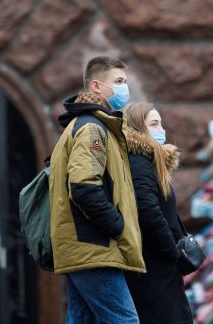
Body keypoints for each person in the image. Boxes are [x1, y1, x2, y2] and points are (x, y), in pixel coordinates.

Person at [49, 57, 145, 324]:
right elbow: (83, 187)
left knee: (81, 320)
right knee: (125, 320)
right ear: (96, 86)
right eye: (119, 82)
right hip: (95, 247)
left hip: (84, 246)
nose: (125, 88)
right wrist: (117, 226)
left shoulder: (88, 125)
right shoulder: (92, 128)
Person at [122, 102, 193, 324]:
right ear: (138, 128)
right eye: (154, 124)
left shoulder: (149, 162)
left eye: (160, 123)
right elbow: (148, 211)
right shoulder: (139, 163)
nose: (161, 130)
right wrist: (171, 251)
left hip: (159, 264)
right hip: (154, 265)